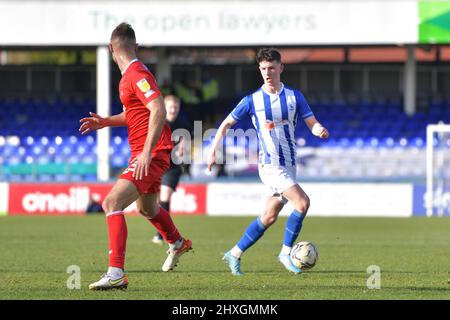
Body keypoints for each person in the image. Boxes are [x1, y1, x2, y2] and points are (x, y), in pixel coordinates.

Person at [79, 22, 192, 290]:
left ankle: (116, 272)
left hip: (150, 152)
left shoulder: (136, 73)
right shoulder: (128, 78)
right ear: (136, 46)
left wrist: (145, 152)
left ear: (110, 48)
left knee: (111, 203)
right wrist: (107, 121)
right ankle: (177, 242)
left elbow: (158, 109)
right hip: (149, 151)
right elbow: (135, 114)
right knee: (147, 208)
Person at [207, 48, 329, 276]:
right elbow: (225, 124)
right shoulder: (252, 100)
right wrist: (213, 150)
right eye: (263, 68)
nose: (267, 72)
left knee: (268, 216)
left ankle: (234, 253)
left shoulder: (294, 97)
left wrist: (319, 129)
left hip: (289, 166)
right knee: (302, 203)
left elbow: (312, 122)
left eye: (271, 68)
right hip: (270, 166)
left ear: (281, 68)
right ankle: (285, 252)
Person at [152, 95, 192, 245]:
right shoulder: (158, 122)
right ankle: (163, 232)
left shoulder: (184, 124)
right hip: (156, 166)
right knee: (154, 204)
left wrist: (184, 146)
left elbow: (188, 140)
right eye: (171, 107)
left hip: (172, 168)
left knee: (165, 197)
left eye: (176, 107)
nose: (174, 109)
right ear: (165, 107)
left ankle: (161, 234)